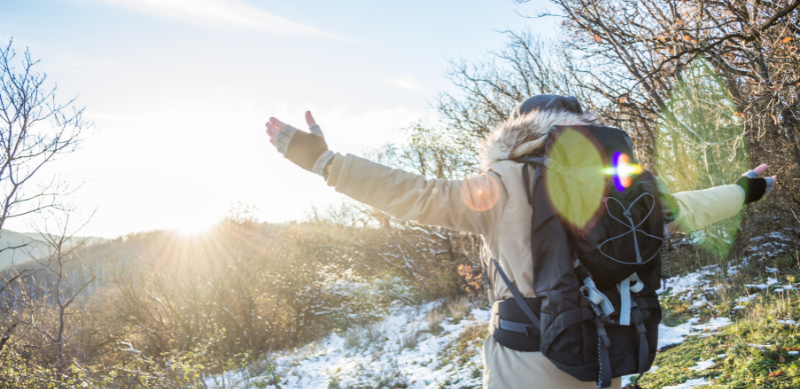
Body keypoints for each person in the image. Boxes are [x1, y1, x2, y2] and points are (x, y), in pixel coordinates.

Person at [265, 95, 776, 388]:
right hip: (607, 348)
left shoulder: (504, 181)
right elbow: (688, 208)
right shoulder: (620, 176)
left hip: (528, 359)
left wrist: (324, 162)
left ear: (519, 129)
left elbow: (417, 194)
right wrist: (744, 188)